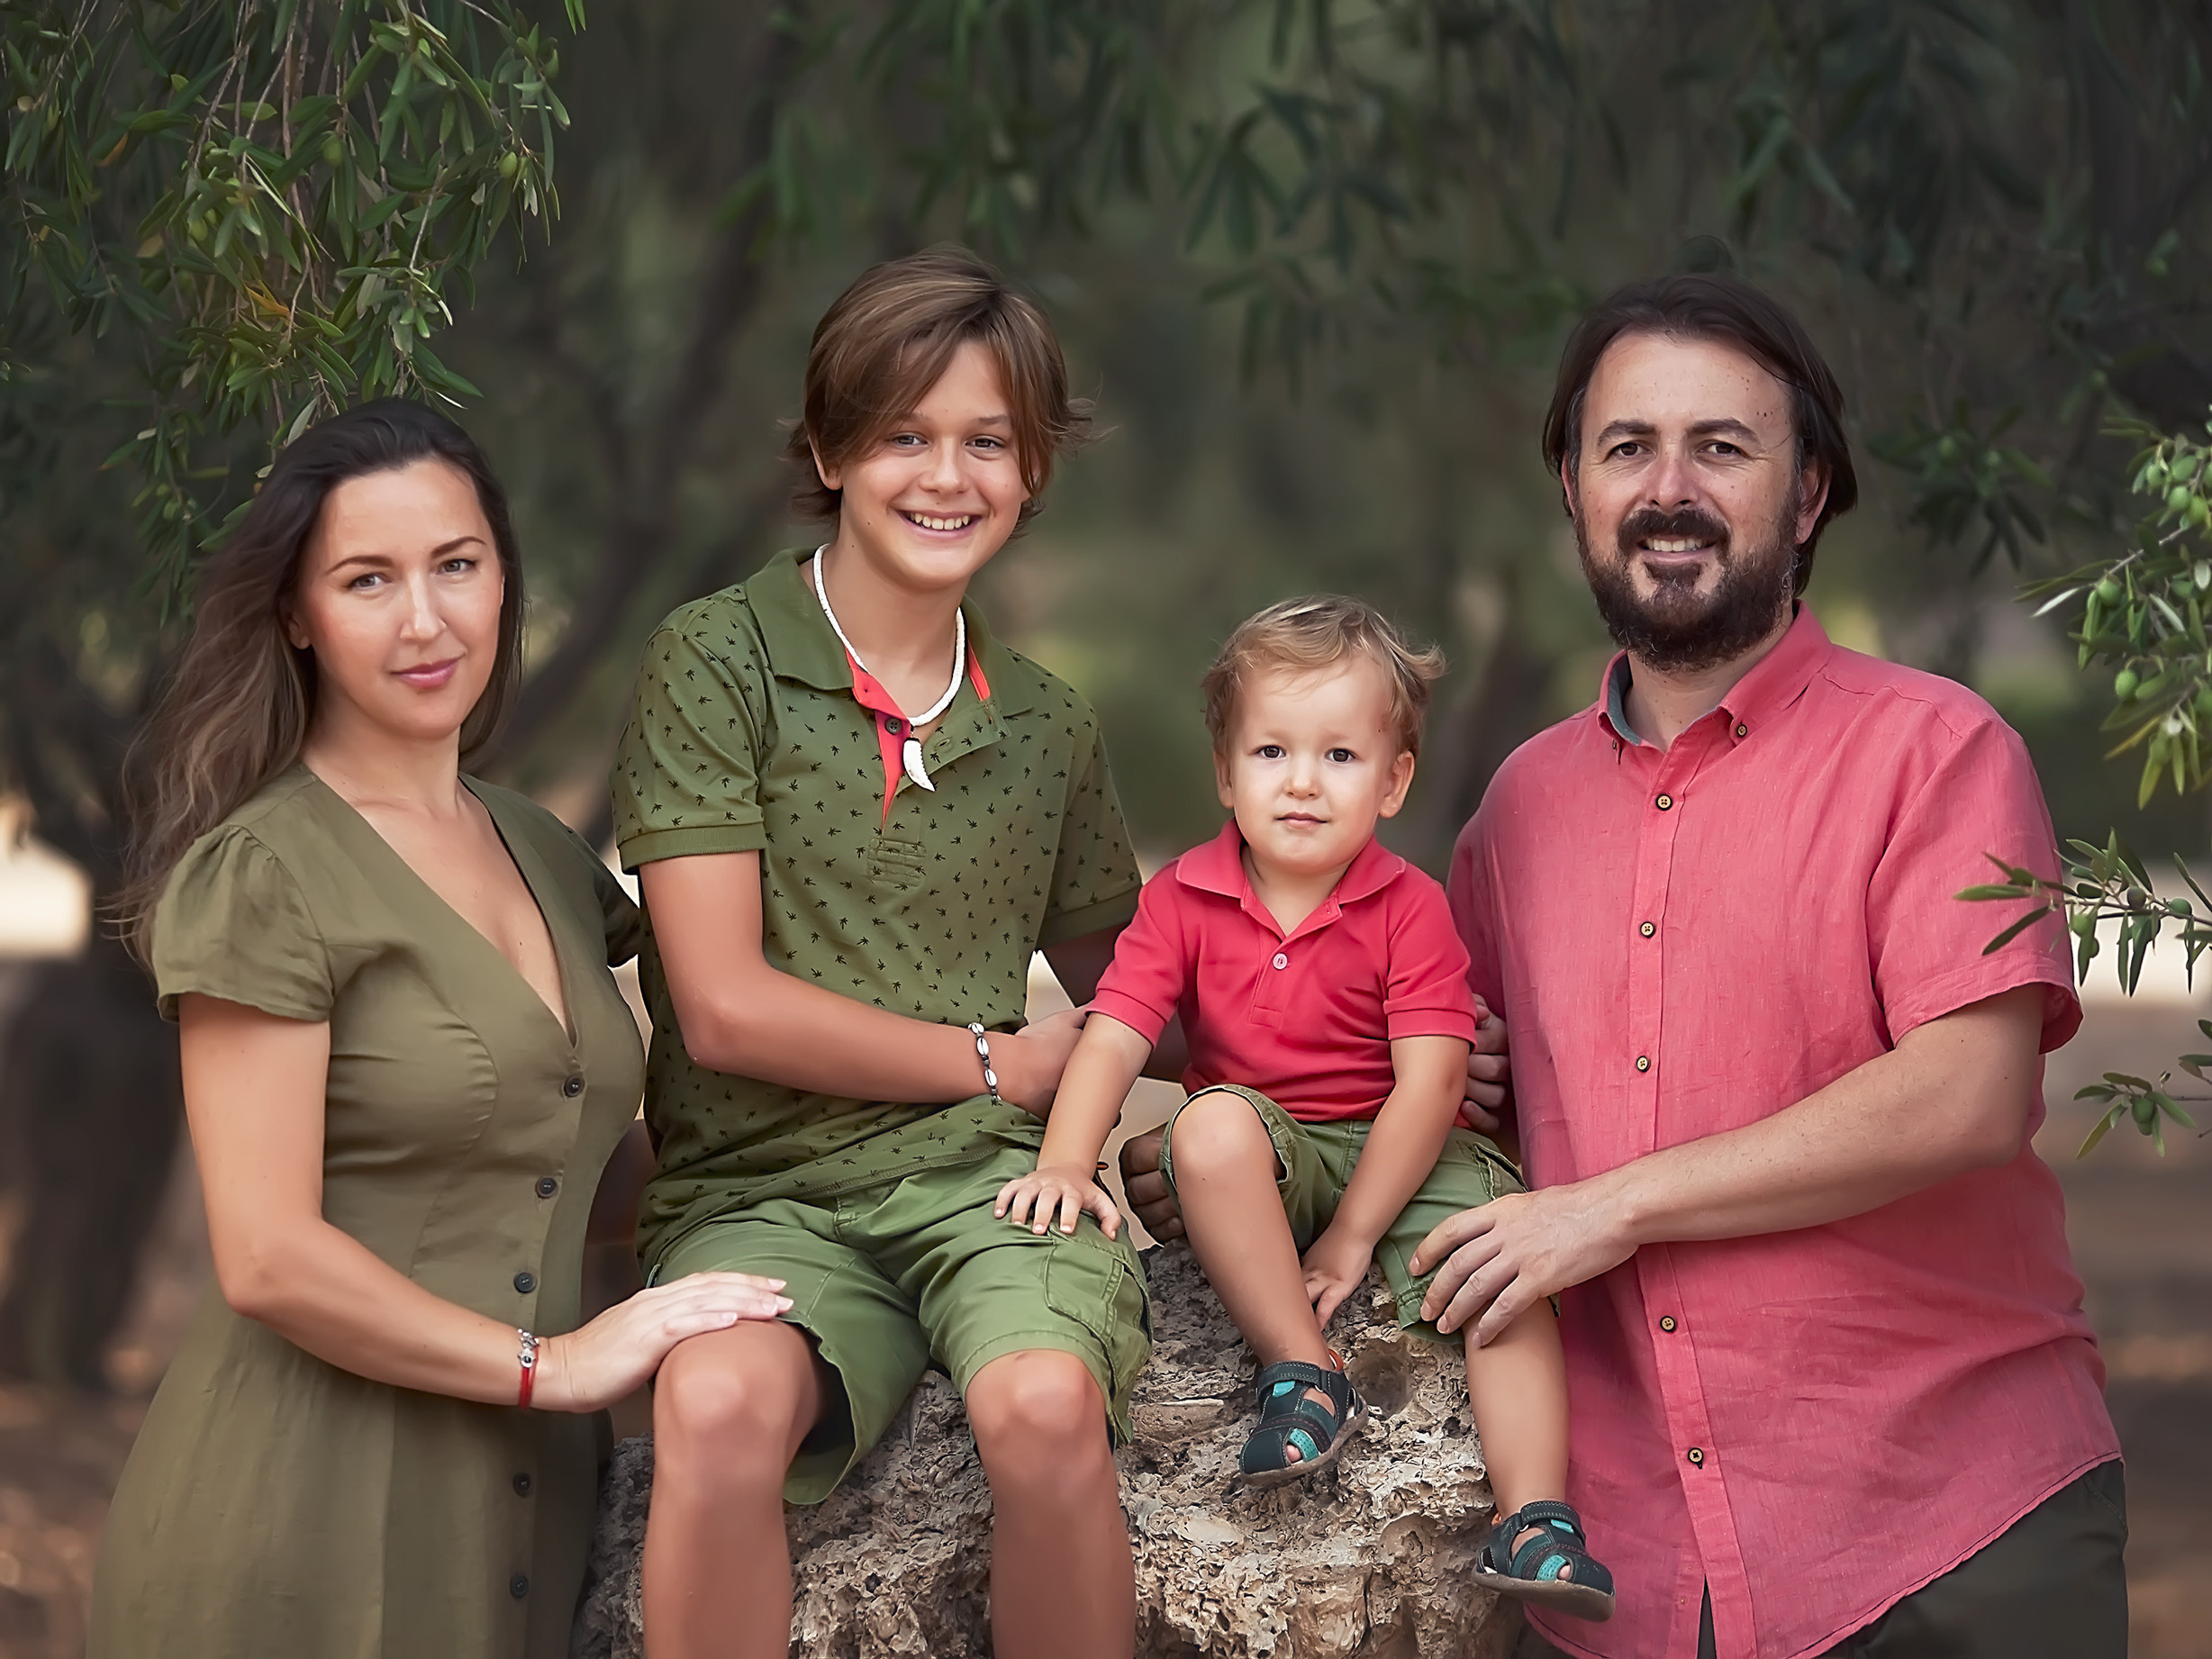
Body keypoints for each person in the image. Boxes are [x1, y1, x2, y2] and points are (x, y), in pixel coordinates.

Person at [1129, 273, 2125, 1659]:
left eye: (1721, 446)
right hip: (1629, 1575)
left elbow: (1969, 1089)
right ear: (1573, 488)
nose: (1668, 488)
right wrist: (1201, 1133)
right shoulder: (1512, 819)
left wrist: (1610, 1208)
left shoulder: (1940, 752)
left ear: (1812, 490)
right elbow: (1405, 1083)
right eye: (1625, 447)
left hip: (1947, 1533)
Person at [90, 400, 790, 1659]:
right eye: (369, 579)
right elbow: (265, 1254)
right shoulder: (266, 872)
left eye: (456, 565)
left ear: (505, 578)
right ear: (298, 615)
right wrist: (558, 1364)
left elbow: (582, 1159)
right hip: (296, 1529)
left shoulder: (546, 853)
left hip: (526, 1524)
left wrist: (881, 1183)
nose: (427, 619)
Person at [611, 247, 1154, 1659]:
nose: (945, 475)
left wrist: (1410, 1035)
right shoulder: (716, 658)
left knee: (1041, 1407)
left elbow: (1150, 988)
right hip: (760, 1189)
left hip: (990, 1192)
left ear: (1034, 469)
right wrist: (999, 1059)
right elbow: (722, 1008)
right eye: (904, 433)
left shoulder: (1047, 724)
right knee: (715, 1406)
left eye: (987, 441)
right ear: (833, 447)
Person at [997, 595, 1616, 1622]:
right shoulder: (1182, 898)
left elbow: (1428, 1083)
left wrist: (1352, 1239)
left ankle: (1536, 1518)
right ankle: (1301, 1369)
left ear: (1392, 781)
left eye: (1337, 757)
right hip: (1267, 1148)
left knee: (1497, 1267)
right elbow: (1112, 1034)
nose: (1299, 781)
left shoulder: (1408, 905)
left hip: (1399, 1145)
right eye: (1271, 750)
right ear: (1223, 773)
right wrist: (1066, 1160)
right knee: (1205, 1126)